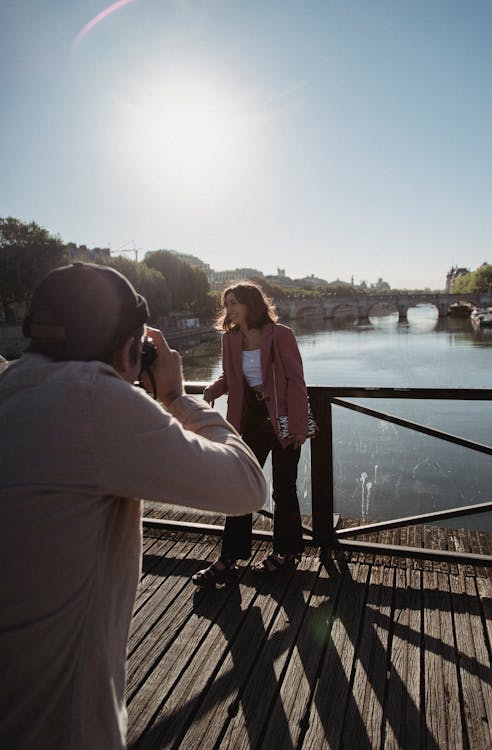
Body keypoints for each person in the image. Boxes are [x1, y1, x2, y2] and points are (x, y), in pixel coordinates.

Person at [0, 262, 266, 750]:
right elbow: (247, 486)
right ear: (129, 348)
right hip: (57, 726)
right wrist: (174, 397)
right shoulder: (91, 401)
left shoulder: (11, 389)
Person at [192, 281, 310, 586]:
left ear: (251, 304)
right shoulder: (230, 339)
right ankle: (228, 558)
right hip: (248, 419)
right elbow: (231, 375)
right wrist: (214, 388)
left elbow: (296, 381)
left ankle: (285, 554)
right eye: (226, 303)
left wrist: (298, 426)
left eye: (234, 303)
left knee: (284, 489)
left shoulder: (281, 334)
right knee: (239, 485)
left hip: (281, 418)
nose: (228, 309)